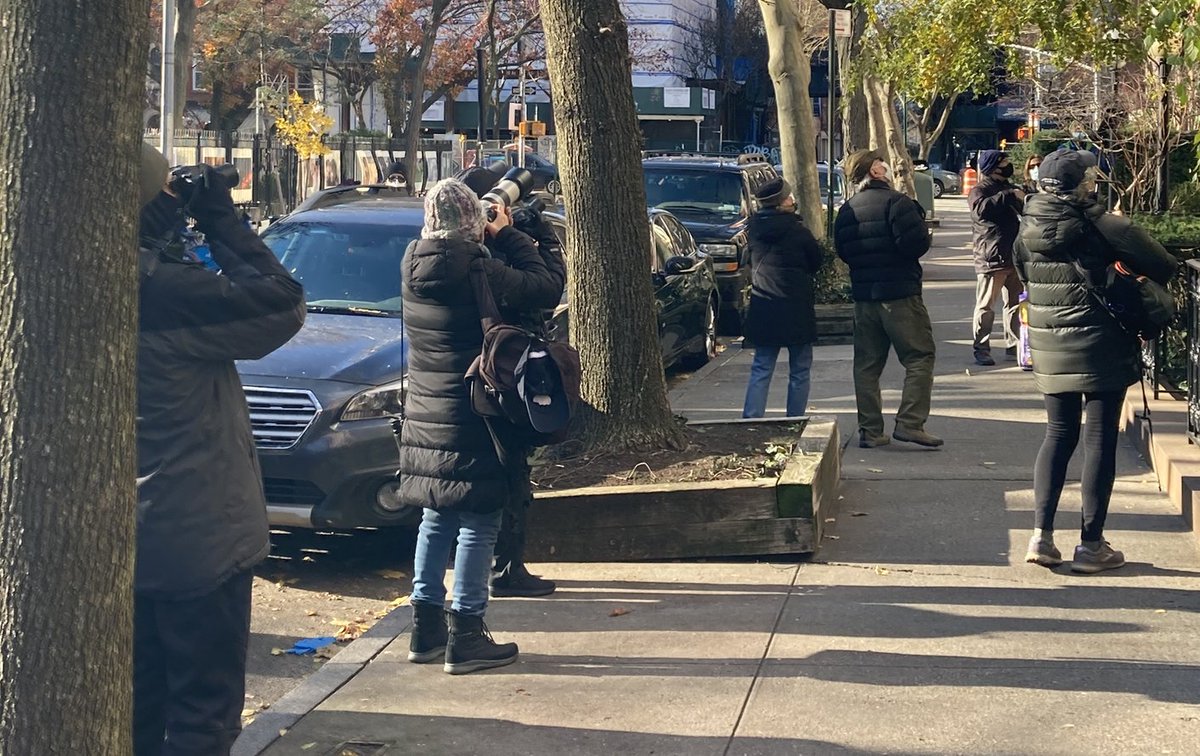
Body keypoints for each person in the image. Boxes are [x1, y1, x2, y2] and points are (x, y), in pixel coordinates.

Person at [134, 144, 306, 754]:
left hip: (117, 542)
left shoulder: (57, 280)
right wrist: (219, 218)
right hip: (194, 537)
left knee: (133, 712)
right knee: (201, 719)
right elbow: (281, 302)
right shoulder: (165, 293)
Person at [397, 178, 565, 673]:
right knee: (479, 516)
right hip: (477, 411)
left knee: (436, 514)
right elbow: (546, 285)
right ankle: (465, 633)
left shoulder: (412, 261)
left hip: (427, 410)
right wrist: (507, 233)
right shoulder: (480, 269)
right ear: (474, 221)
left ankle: (424, 628)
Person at [1015, 149, 1176, 573]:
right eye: (1091, 178)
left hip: (1052, 348)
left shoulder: (1026, 227)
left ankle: (1041, 537)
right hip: (1103, 343)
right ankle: (1091, 545)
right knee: (1100, 438)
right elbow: (1164, 264)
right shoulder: (1106, 225)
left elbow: (1023, 274)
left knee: (1057, 434)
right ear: (1083, 184)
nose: (1096, 183)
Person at [457, 164, 566, 598]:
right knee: (510, 474)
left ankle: (491, 568)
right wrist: (520, 234)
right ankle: (507, 569)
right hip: (503, 377)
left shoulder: (437, 257)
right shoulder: (490, 262)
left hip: (463, 379)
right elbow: (549, 286)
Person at [834, 149, 941, 449]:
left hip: (864, 296)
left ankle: (870, 430)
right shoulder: (898, 203)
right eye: (882, 163)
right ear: (876, 172)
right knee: (920, 356)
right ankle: (910, 422)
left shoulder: (847, 209)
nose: (888, 166)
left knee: (867, 365)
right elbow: (915, 245)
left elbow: (843, 250)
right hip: (900, 294)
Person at [741, 177, 823, 418]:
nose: (792, 200)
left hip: (765, 305)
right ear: (781, 203)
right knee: (800, 368)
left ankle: (752, 417)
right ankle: (795, 417)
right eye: (789, 197)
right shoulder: (799, 232)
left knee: (762, 366)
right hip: (796, 306)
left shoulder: (753, 230)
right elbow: (815, 262)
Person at [968, 149, 1025, 366]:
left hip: (1013, 255)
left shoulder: (1008, 188)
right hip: (991, 256)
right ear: (993, 166)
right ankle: (981, 347)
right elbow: (980, 211)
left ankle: (1015, 345)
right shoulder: (980, 191)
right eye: (1004, 161)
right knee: (986, 305)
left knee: (1014, 303)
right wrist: (1009, 196)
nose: (1009, 164)